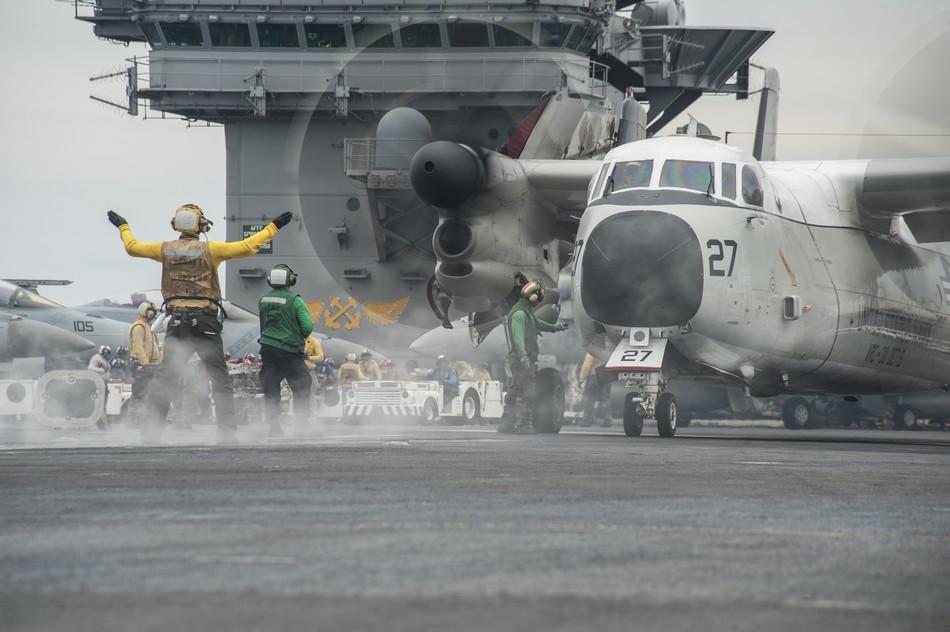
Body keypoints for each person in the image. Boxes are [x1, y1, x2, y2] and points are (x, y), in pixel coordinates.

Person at [107, 204, 292, 444]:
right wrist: (273, 226)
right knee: (219, 379)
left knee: (165, 380)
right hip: (205, 323)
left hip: (176, 323)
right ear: (200, 225)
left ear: (176, 225)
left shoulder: (164, 249)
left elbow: (132, 247)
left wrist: (123, 226)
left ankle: (150, 433)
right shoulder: (211, 250)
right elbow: (249, 246)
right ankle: (226, 434)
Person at [499, 280, 567, 435]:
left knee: (516, 390)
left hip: (521, 358)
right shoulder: (519, 315)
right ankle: (523, 425)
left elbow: (539, 323)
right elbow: (517, 337)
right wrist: (523, 356)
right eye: (538, 297)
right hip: (523, 359)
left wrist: (556, 328)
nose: (539, 302)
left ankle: (506, 424)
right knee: (527, 391)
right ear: (532, 297)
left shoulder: (526, 313)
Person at [258, 264, 314, 437]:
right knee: (302, 385)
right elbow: (307, 327)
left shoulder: (263, 299)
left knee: (271, 386)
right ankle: (301, 427)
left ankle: (274, 427)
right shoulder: (295, 299)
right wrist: (296, 335)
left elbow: (263, 325)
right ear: (291, 280)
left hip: (267, 348)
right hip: (289, 350)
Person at [128, 300, 163, 424]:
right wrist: (145, 364)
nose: (152, 314)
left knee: (149, 394)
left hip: (151, 366)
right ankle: (134, 420)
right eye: (151, 312)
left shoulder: (149, 328)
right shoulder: (139, 327)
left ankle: (146, 420)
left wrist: (159, 362)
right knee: (139, 394)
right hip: (141, 366)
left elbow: (155, 348)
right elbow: (138, 348)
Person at [578, 352, 611, 428]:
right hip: (606, 376)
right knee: (605, 399)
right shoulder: (608, 351)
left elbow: (586, 366)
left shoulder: (592, 350)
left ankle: (587, 420)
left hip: (594, 376)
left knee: (589, 398)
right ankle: (607, 420)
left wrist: (581, 378)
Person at [88, 345, 112, 429]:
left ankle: (103, 424)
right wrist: (101, 370)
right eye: (104, 352)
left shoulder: (104, 360)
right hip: (98, 384)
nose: (105, 354)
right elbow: (90, 368)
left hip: (104, 384)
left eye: (107, 353)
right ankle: (101, 425)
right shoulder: (97, 358)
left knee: (103, 404)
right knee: (99, 404)